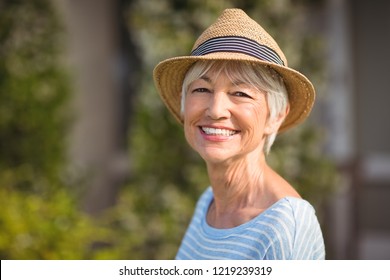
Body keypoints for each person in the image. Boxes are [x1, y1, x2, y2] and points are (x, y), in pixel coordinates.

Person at [153, 8, 325, 260]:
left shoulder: (286, 224)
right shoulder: (209, 202)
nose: (216, 110)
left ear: (276, 116)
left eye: (241, 93)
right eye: (201, 89)